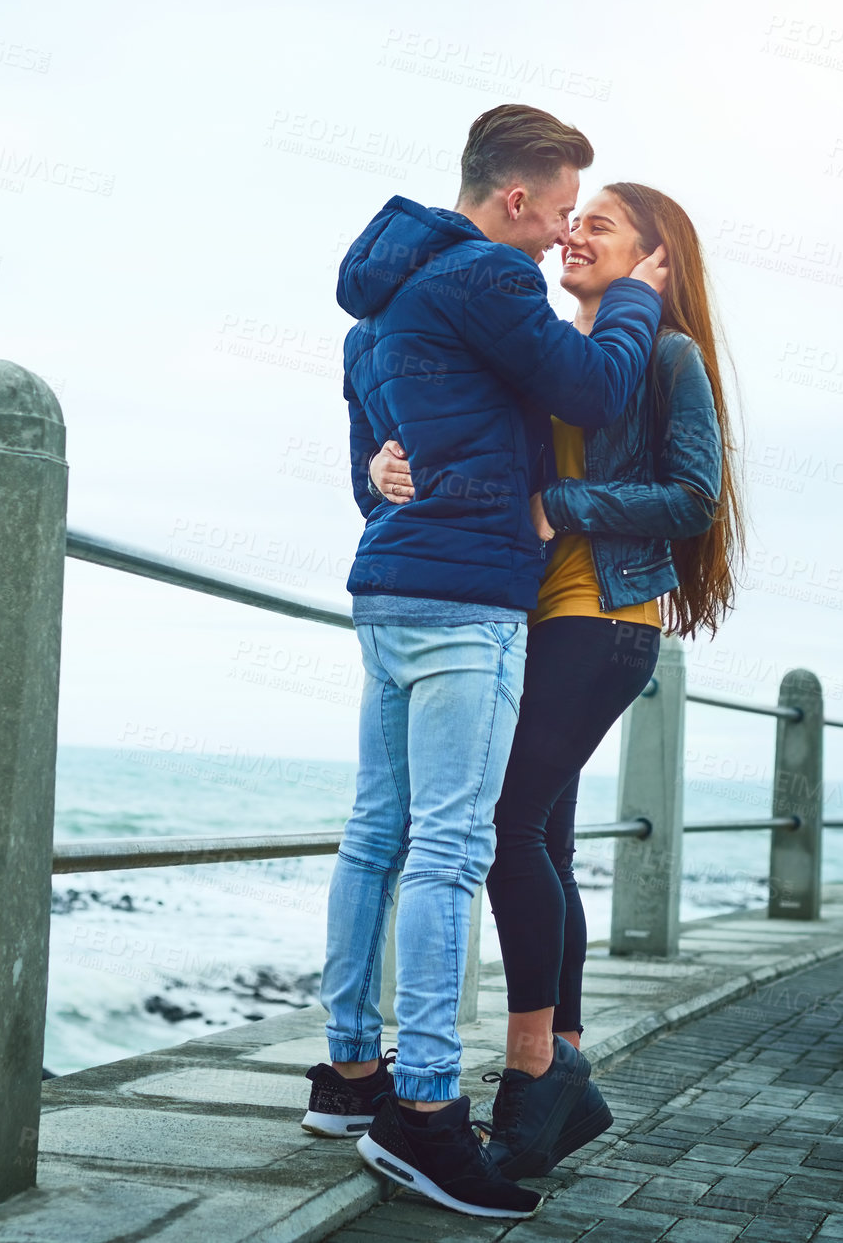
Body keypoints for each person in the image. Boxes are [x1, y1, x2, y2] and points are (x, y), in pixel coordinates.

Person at [299, 104, 667, 1220]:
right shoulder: (491, 282)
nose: (560, 233)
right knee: (451, 850)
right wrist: (640, 294)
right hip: (469, 603)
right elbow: (597, 389)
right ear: (516, 199)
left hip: (388, 589)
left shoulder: (382, 309)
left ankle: (349, 1075)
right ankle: (422, 1117)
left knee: (376, 836)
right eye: (558, 209)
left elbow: (371, 464)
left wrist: (394, 478)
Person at [367, 180, 740, 1181]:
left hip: (605, 622)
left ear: (654, 259)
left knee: (504, 828)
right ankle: (561, 1062)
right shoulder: (561, 358)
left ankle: (532, 1066)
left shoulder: (667, 355)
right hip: (528, 622)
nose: (575, 234)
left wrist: (560, 503)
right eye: (575, 220)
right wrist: (385, 465)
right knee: (548, 841)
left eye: (601, 224)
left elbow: (694, 496)